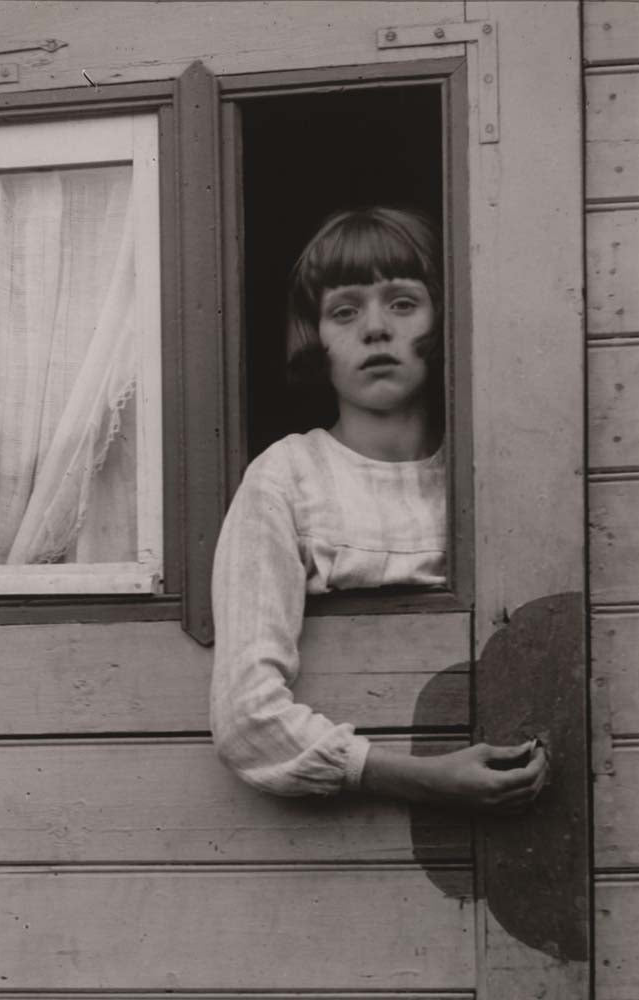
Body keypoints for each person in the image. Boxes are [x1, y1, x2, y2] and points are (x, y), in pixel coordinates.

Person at [211, 206, 547, 811]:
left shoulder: (493, 473)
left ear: (443, 319)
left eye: (401, 303)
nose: (374, 329)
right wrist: (419, 777)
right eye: (345, 310)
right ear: (316, 336)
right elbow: (245, 715)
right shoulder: (285, 478)